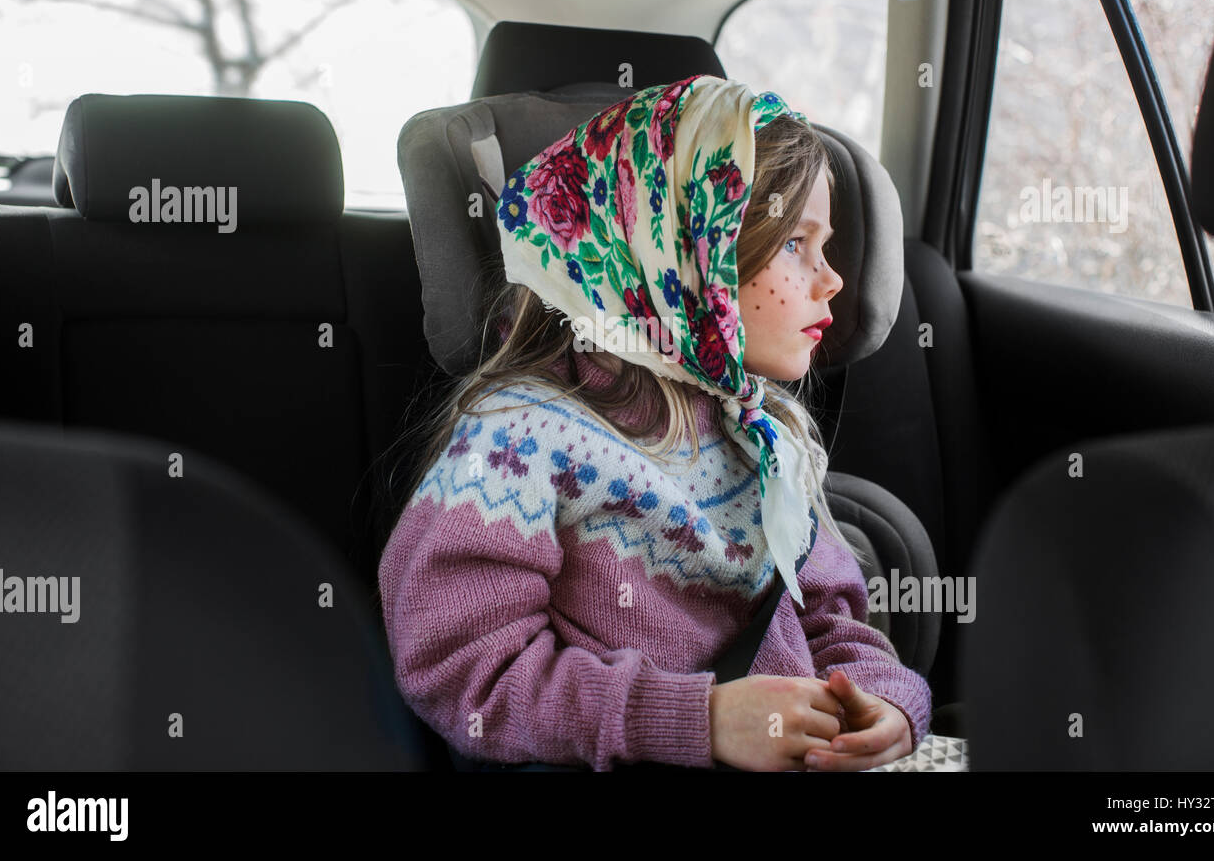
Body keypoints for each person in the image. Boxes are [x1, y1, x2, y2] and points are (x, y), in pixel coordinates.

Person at [377, 74, 931, 772]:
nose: (832, 280)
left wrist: (882, 703)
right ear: (679, 247)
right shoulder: (517, 441)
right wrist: (697, 721)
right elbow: (466, 676)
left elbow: (827, 619)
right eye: (796, 245)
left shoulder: (766, 432)